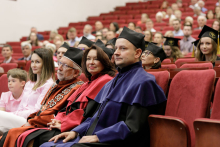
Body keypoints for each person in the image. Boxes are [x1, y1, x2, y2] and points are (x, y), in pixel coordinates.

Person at [40, 26, 167, 147]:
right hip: (99, 138)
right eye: (116, 48)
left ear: (137, 53)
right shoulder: (112, 82)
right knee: (47, 144)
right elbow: (96, 117)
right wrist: (76, 132)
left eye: (123, 49)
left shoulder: (144, 82)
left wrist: (98, 137)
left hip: (116, 142)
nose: (116, 53)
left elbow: (133, 127)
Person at [16, 42, 116, 147]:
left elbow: (89, 113)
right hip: (65, 125)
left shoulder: (105, 81)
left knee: (30, 138)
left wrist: (64, 124)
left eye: (96, 59)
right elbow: (67, 109)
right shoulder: (88, 83)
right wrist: (58, 121)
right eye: (88, 59)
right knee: (20, 134)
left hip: (79, 128)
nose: (90, 62)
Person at [0, 48, 85, 147]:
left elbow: (60, 113)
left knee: (13, 134)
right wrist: (33, 119)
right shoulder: (57, 85)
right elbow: (44, 109)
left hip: (48, 124)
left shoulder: (77, 88)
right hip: (37, 120)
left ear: (75, 72)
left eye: (65, 66)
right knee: (7, 134)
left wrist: (32, 121)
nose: (60, 68)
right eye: (60, 63)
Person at [0, 48, 55, 135]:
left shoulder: (48, 85)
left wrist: (14, 114)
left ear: (46, 64)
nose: (33, 65)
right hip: (19, 117)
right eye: (32, 61)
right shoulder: (30, 83)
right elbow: (22, 106)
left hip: (30, 121)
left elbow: (37, 111)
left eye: (37, 62)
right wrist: (14, 114)